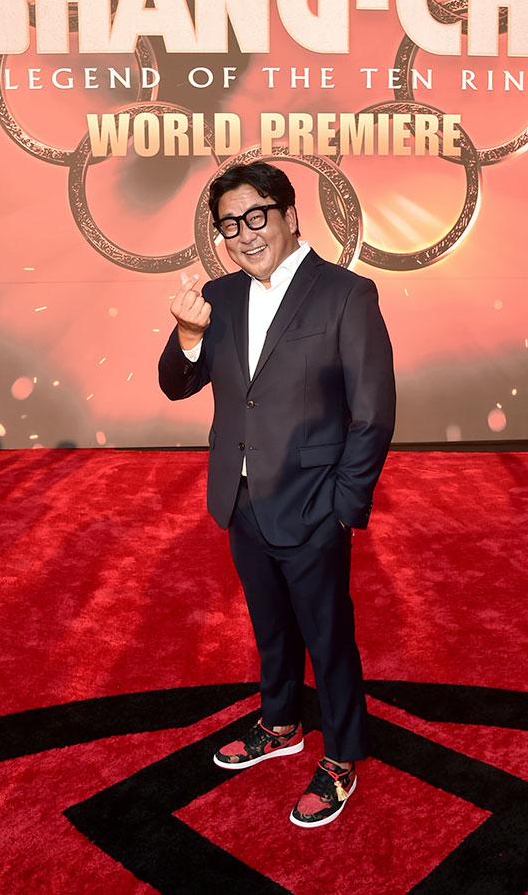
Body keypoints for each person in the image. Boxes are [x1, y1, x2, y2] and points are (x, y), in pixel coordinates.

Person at [158, 160, 395, 827]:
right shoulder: (219, 296)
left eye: (255, 216)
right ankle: (281, 723)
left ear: (290, 216)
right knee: (269, 627)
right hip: (238, 499)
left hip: (314, 504)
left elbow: (372, 413)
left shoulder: (346, 294)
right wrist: (188, 335)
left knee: (328, 636)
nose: (244, 234)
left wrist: (343, 507)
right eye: (229, 224)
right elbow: (175, 384)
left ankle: (341, 755)